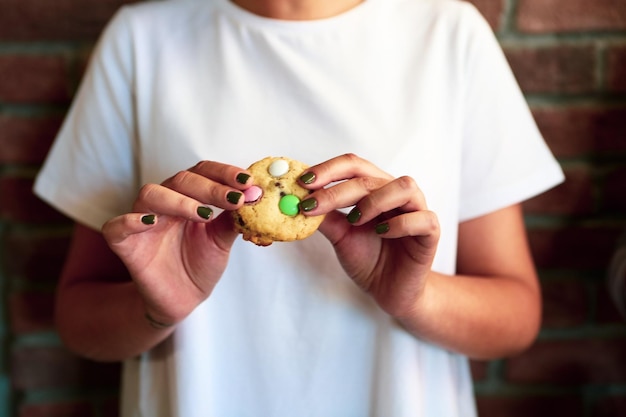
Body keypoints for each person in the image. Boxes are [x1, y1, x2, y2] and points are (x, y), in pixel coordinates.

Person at [34, 0, 565, 415]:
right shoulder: (141, 39)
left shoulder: (449, 35)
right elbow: (79, 320)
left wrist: (416, 296)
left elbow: (516, 318)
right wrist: (154, 309)